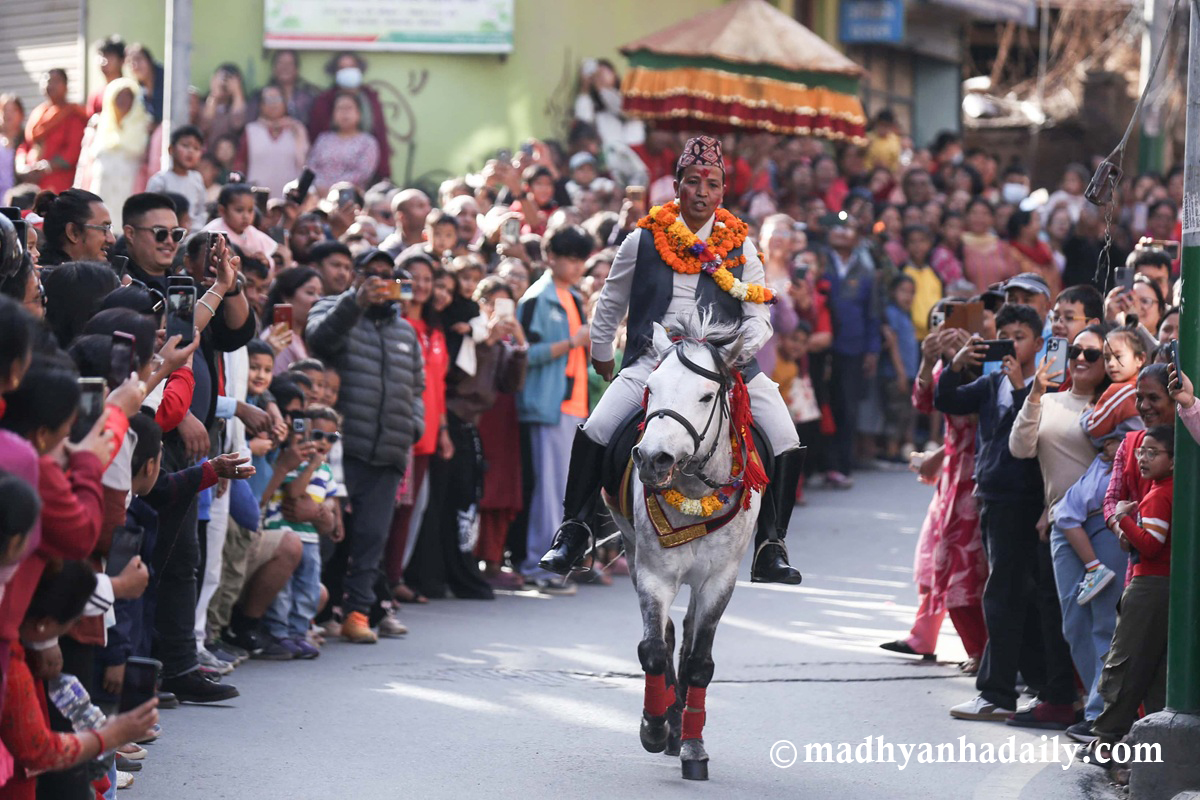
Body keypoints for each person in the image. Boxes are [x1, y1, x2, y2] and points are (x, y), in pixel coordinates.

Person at [538, 136, 803, 586]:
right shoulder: (640, 239)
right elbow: (609, 304)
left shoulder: (743, 245)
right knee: (598, 428)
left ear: (723, 192)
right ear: (676, 186)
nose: (702, 191)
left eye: (713, 184)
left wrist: (736, 353)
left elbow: (759, 317)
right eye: (694, 181)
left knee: (784, 436)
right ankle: (574, 530)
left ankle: (771, 544)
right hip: (652, 360)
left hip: (722, 367)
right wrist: (604, 356)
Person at [937, 304, 1071, 722]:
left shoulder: (1047, 386)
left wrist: (1019, 388)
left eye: (1019, 336)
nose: (1010, 344)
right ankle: (1038, 682)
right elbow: (949, 401)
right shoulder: (992, 378)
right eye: (1004, 335)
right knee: (1016, 593)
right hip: (992, 492)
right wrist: (957, 366)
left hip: (1026, 498)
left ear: (1038, 341)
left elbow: (1024, 439)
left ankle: (997, 691)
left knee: (1005, 594)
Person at [306, 240, 425, 643]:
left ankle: (357, 614)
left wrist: (414, 427)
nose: (381, 283)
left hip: (389, 451)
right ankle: (311, 612)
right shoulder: (334, 308)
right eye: (371, 274)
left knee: (372, 539)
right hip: (341, 447)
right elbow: (320, 340)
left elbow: (417, 389)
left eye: (388, 276)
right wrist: (354, 302)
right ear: (356, 279)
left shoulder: (405, 331)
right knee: (326, 533)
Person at [1007, 321, 1115, 730]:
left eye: (1093, 354)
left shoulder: (1113, 405)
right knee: (1073, 625)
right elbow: (1020, 448)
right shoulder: (1049, 402)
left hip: (1103, 525)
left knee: (1103, 622)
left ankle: (1100, 714)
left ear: (1108, 363)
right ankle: (1096, 705)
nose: (1081, 360)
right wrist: (1035, 392)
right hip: (1060, 526)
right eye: (1076, 352)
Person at [1081, 424, 1174, 765]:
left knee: (1125, 662)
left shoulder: (1161, 494)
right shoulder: (1163, 491)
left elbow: (1150, 546)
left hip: (1149, 587)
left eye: (1153, 453)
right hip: (1160, 587)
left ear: (1174, 460)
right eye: (1141, 452)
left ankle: (1106, 740)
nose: (1144, 459)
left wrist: (1123, 518)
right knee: (1152, 668)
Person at [261, 405, 342, 658]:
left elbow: (330, 500)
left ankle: (298, 633)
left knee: (307, 589)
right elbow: (294, 494)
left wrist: (334, 518)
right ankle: (278, 633)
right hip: (286, 534)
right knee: (284, 589)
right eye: (318, 435)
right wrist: (309, 467)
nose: (324, 443)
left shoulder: (327, 471)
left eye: (332, 438)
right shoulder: (296, 462)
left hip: (310, 539)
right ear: (306, 433)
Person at [76, 78, 149, 229]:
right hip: (101, 194)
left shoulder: (145, 126)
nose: (123, 100)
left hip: (130, 195)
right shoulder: (97, 127)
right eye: (119, 95)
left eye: (128, 96)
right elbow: (84, 166)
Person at [307, 52, 391, 180]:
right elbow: (313, 165)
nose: (345, 114)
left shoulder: (370, 100)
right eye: (342, 68)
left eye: (352, 67)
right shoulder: (324, 137)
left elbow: (380, 137)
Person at [18, 70, 87, 193]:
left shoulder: (73, 114)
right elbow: (26, 145)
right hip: (31, 182)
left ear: (66, 86)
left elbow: (73, 151)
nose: (50, 85)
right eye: (47, 81)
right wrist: (22, 167)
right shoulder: (38, 112)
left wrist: (46, 167)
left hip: (58, 184)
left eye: (56, 81)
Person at [237, 84, 309, 199]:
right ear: (261, 105)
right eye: (268, 100)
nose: (273, 104)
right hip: (256, 199)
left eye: (277, 99)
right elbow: (240, 163)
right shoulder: (251, 130)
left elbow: (305, 164)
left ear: (285, 103)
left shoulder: (297, 130)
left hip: (289, 199)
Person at [879, 274, 918, 463]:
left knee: (905, 412)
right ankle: (891, 450)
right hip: (896, 374)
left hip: (908, 373)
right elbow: (893, 344)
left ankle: (899, 448)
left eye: (912, 292)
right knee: (895, 412)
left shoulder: (906, 315)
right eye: (903, 291)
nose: (908, 296)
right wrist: (901, 373)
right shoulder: (892, 313)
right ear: (893, 292)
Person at [307, 92, 380, 192]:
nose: (344, 113)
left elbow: (363, 173)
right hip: (318, 194)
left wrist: (333, 188)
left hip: (348, 197)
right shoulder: (323, 139)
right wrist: (319, 185)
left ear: (358, 113)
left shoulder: (367, 142)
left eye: (349, 108)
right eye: (340, 108)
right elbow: (312, 167)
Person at [146, 125, 208, 232]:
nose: (191, 152)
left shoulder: (197, 179)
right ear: (171, 149)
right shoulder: (160, 181)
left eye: (196, 148)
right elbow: (149, 212)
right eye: (185, 146)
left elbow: (201, 212)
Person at [202, 183, 278, 262]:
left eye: (250, 210)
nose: (246, 216)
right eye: (239, 210)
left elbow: (272, 254)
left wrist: (266, 261)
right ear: (222, 211)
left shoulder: (251, 231)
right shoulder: (213, 231)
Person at [249, 50, 319, 128]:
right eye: (280, 63)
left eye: (289, 64)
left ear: (297, 70)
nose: (285, 67)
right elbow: (250, 125)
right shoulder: (260, 95)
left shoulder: (307, 98)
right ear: (273, 69)